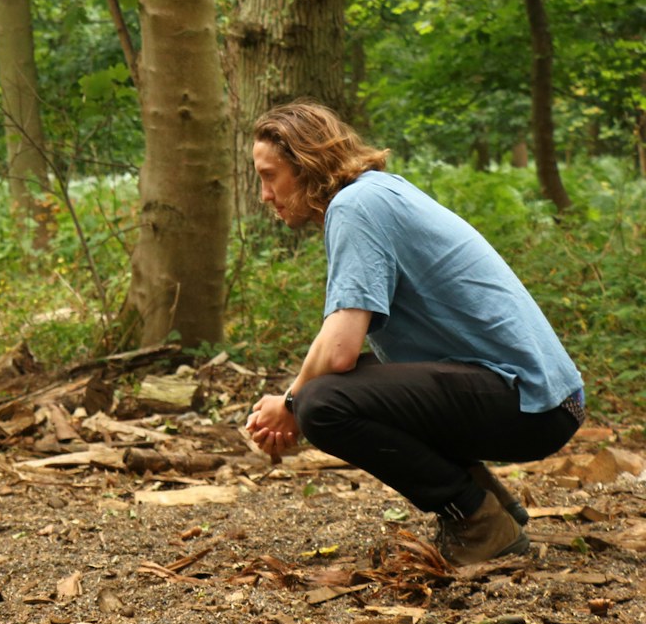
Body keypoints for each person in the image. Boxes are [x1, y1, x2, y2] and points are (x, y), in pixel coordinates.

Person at [243, 102, 584, 565]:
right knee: (330, 392)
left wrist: (290, 405)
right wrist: (290, 400)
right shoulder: (374, 194)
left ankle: (477, 522)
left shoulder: (355, 206)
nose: (264, 194)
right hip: (536, 399)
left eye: (270, 176)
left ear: (305, 165)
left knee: (322, 404)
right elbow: (341, 344)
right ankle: (490, 502)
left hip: (530, 405)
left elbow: (339, 349)